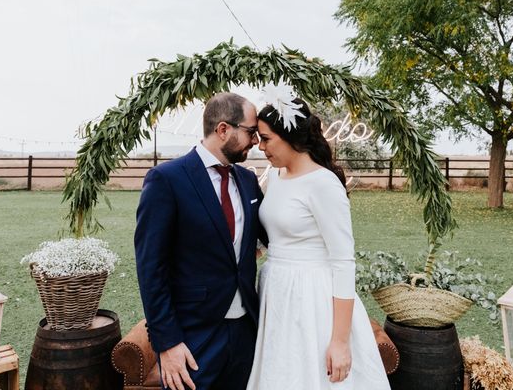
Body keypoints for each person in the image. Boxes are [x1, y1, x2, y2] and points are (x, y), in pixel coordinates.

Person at [246, 91, 391, 389]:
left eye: (266, 139)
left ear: (291, 137)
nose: (260, 147)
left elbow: (343, 262)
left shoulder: (323, 183)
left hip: (312, 297)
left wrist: (339, 341)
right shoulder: (275, 178)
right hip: (276, 292)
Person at [135, 92, 268, 390]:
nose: (256, 141)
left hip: (246, 331)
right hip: (193, 337)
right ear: (223, 130)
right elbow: (150, 268)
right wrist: (167, 343)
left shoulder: (247, 181)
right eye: (250, 132)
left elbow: (269, 236)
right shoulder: (167, 179)